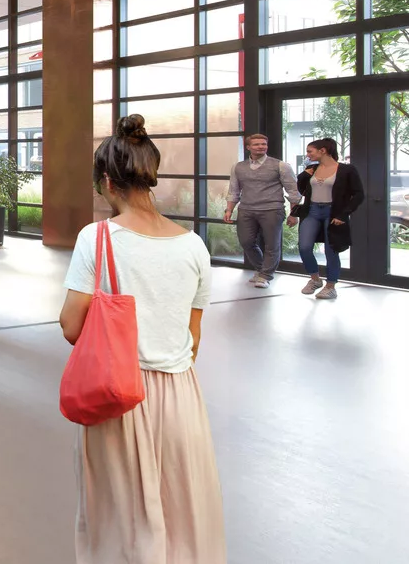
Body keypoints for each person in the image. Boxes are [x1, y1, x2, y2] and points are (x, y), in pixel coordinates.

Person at [59, 114, 224, 563]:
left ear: (107, 182)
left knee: (121, 521)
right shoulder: (194, 245)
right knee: (182, 516)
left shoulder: (98, 239)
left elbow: (72, 326)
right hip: (182, 398)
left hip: (120, 395)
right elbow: (193, 337)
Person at [223, 132, 303, 287]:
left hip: (272, 209)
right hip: (246, 209)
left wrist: (294, 214)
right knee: (246, 242)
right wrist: (228, 210)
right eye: (257, 144)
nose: (261, 147)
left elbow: (294, 191)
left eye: (264, 144)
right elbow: (233, 190)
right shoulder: (238, 167)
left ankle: (265, 275)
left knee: (272, 245)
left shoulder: (281, 165)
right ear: (248, 147)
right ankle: (261, 269)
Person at [290, 137, 363, 300]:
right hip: (312, 211)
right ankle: (315, 280)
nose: (307, 155)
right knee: (304, 247)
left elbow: (358, 195)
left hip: (333, 213)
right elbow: (300, 189)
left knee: (331, 251)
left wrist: (344, 214)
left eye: (310, 151)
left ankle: (331, 286)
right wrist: (303, 174)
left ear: (322, 151)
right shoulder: (312, 169)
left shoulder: (346, 170)